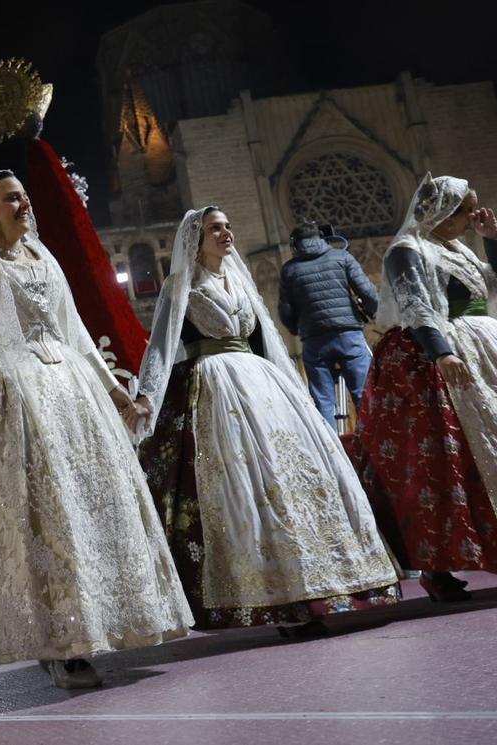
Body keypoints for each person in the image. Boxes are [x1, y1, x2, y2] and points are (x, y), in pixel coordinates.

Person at [0, 171, 192, 689]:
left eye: (25, 197)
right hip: (8, 399)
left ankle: (103, 623)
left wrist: (112, 387)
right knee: (44, 515)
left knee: (88, 507)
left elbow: (73, 327)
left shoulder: (43, 257)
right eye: (12, 199)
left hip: (69, 395)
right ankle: (61, 643)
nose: (24, 205)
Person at [133, 206, 399, 637]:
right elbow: (162, 343)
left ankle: (320, 586)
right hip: (214, 384)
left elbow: (267, 339)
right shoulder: (179, 285)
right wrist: (147, 395)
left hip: (261, 383)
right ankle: (278, 599)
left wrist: (293, 390)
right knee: (245, 487)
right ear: (195, 240)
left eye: (228, 225)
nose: (226, 233)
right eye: (215, 228)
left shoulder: (239, 279)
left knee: (292, 476)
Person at [354, 173, 497, 601]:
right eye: (467, 210)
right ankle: (437, 565)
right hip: (434, 358)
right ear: (443, 212)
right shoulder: (407, 251)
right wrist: (441, 353)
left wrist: (494, 241)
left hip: (488, 349)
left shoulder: (456, 248)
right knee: (437, 461)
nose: (473, 216)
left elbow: (494, 291)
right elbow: (416, 305)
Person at [278, 222, 379, 426]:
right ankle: (376, 449)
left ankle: (332, 453)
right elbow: (368, 292)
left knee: (323, 402)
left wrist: (294, 328)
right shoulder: (341, 257)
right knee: (364, 395)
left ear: (295, 244)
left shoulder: (289, 269)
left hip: (314, 341)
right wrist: (371, 311)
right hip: (348, 335)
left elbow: (285, 309)